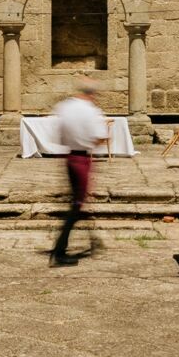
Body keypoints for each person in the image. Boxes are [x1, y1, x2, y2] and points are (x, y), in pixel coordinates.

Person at [50, 78, 109, 265]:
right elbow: (100, 137)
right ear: (91, 94)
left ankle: (83, 239)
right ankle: (59, 251)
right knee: (77, 204)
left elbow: (58, 135)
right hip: (83, 159)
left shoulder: (65, 107)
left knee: (78, 201)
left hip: (69, 158)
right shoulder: (91, 111)